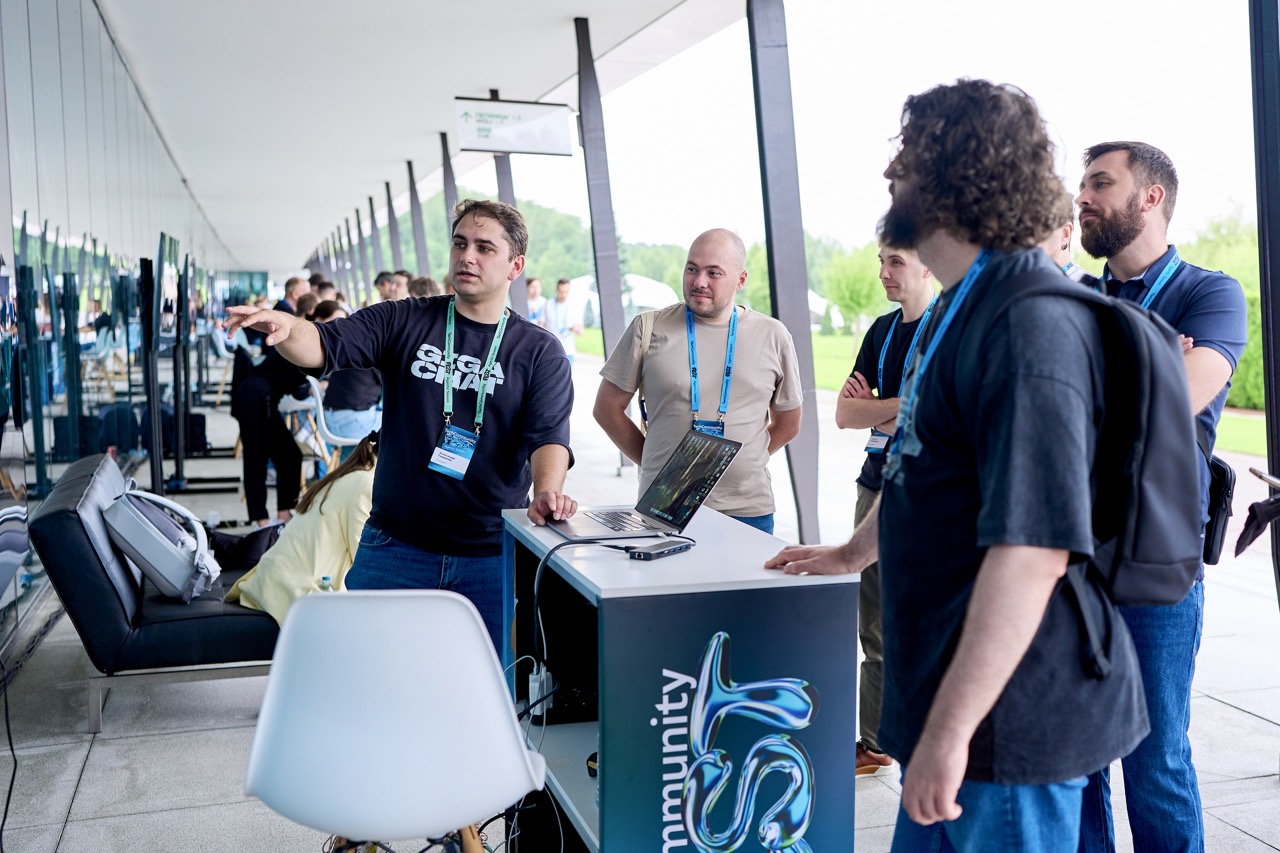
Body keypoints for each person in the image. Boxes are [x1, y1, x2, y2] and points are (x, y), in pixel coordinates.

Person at [766, 80, 1149, 851]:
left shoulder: (1029, 323)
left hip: (1004, 726)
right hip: (955, 707)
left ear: (960, 174)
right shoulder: (957, 306)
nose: (890, 174)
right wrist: (853, 552)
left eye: (907, 157)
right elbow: (918, 458)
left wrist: (950, 730)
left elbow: (1033, 550)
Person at [227, 198, 577, 655]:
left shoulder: (539, 352)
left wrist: (548, 490)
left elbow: (548, 434)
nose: (467, 256)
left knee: (480, 686)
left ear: (516, 266)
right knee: (375, 679)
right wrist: (290, 328)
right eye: (459, 243)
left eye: (484, 248)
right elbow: (325, 344)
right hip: (395, 546)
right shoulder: (404, 318)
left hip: (488, 556)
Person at [1075, 141, 1248, 853]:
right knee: (1077, 759)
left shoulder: (1212, 294)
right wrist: (1150, 369)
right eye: (1082, 184)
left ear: (1151, 197)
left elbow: (1184, 395)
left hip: (1159, 565)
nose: (1081, 197)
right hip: (1071, 560)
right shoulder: (1075, 299)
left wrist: (1096, 387)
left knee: (1155, 760)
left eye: (1100, 183)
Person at [594, 228, 803, 535]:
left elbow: (789, 423)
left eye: (713, 273)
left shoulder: (773, 336)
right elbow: (607, 409)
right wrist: (659, 466)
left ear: (741, 280)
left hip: (747, 511)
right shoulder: (648, 327)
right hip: (663, 507)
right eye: (692, 269)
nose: (699, 281)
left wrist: (733, 462)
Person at [836, 240, 936, 777]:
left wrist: (878, 408)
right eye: (881, 261)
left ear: (928, 264)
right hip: (874, 484)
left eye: (895, 261)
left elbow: (939, 416)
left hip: (924, 493)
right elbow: (844, 414)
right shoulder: (880, 331)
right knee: (873, 623)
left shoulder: (948, 327)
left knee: (924, 619)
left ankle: (928, 739)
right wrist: (900, 407)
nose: (883, 273)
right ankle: (874, 742)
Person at [227, 430, 379, 625]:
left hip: (277, 583)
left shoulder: (356, 474)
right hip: (297, 593)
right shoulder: (365, 485)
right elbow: (366, 560)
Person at [230, 346, 306, 527]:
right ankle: (261, 520)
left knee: (290, 455)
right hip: (255, 397)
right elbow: (299, 390)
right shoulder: (303, 349)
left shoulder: (304, 348)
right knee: (256, 460)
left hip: (260, 396)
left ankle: (283, 512)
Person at [312, 300, 383, 461]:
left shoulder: (346, 344)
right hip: (353, 424)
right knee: (401, 421)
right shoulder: (377, 349)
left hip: (328, 422)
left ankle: (349, 466)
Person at [543, 278, 583, 365]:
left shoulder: (573, 306)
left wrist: (575, 329)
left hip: (568, 350)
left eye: (566, 292)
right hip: (551, 350)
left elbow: (581, 331)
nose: (564, 295)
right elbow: (541, 325)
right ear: (557, 290)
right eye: (561, 292)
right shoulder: (548, 304)